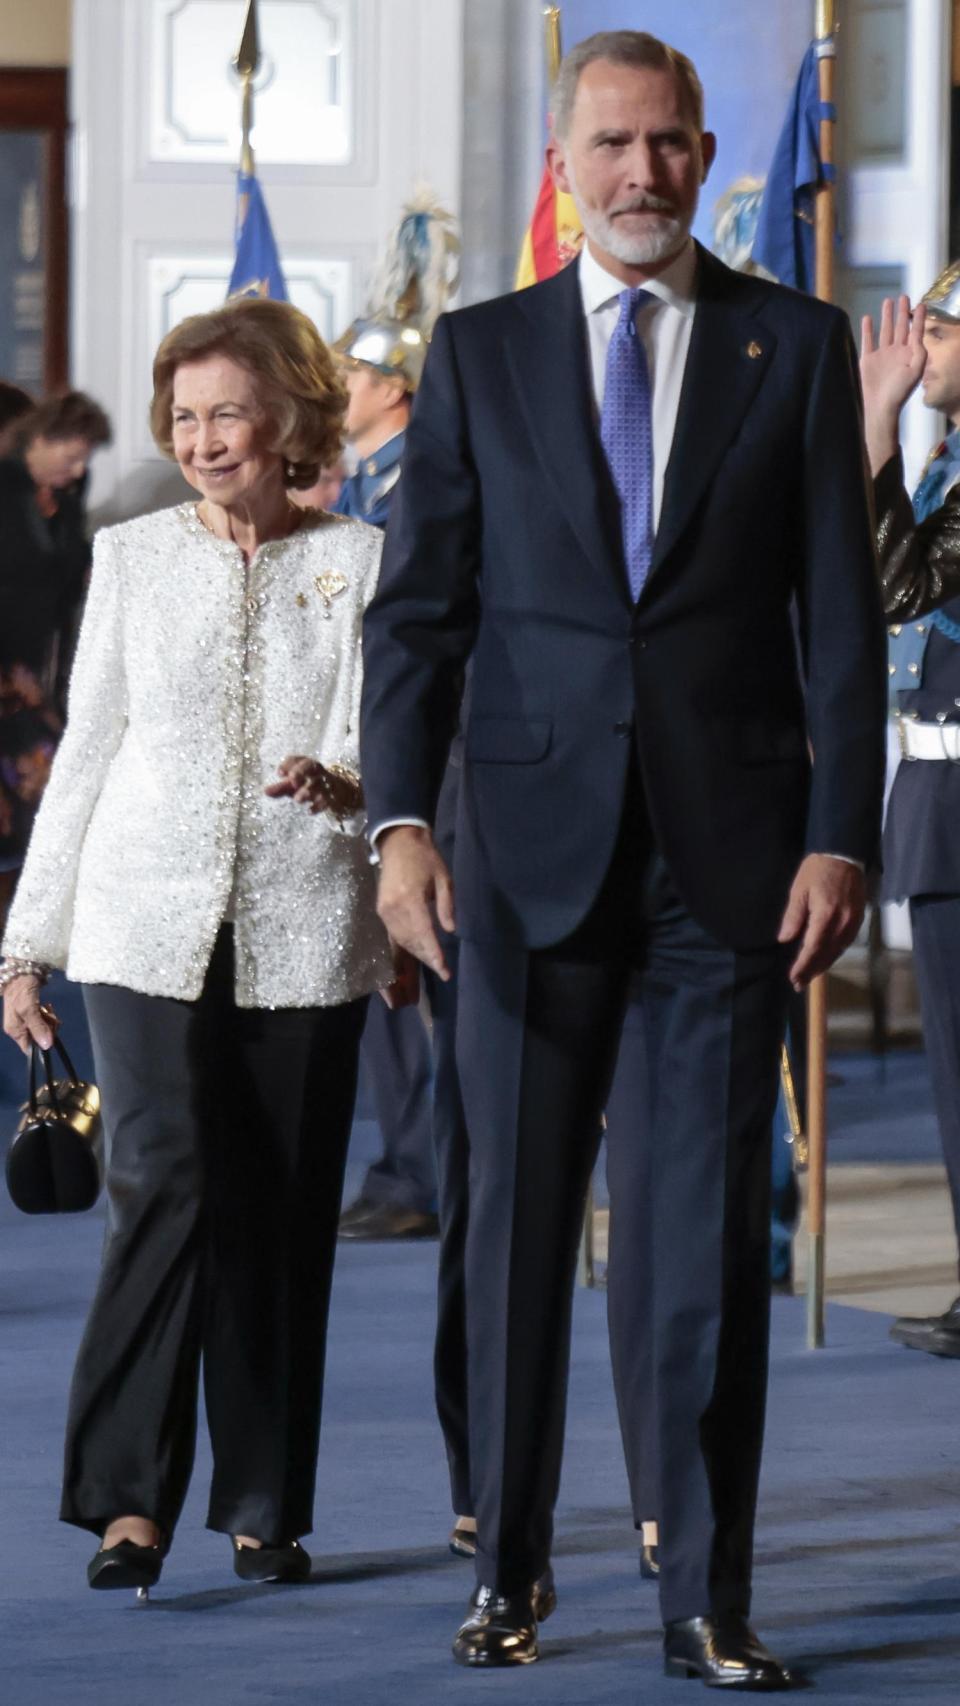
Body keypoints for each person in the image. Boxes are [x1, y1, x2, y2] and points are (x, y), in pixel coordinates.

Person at [360, 29, 886, 1686]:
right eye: (612, 145)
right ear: (562, 166)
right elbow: (420, 616)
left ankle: (704, 1599)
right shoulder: (482, 351)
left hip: (730, 871)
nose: (642, 172)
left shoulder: (787, 347)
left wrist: (840, 837)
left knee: (706, 1247)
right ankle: (507, 1571)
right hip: (516, 864)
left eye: (668, 144)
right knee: (509, 1231)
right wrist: (395, 833)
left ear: (705, 149)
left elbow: (843, 624)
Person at [0, 296, 393, 1597]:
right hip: (138, 919)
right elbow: (87, 752)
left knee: (279, 1205)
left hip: (304, 924)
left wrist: (345, 780)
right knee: (159, 1182)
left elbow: (383, 733)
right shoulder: (131, 553)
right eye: (185, 417)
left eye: (229, 410)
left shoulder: (364, 556)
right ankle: (127, 1502)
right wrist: (25, 945)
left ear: (288, 414)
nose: (206, 437)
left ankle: (265, 1500)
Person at [332, 198, 462, 1246]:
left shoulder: (413, 477)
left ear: (393, 391)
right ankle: (409, 1158)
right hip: (363, 749)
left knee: (420, 972)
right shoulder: (361, 479)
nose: (337, 390)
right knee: (385, 972)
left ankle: (431, 1163)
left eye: (352, 377)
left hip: (419, 752)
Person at [860, 273, 960, 1358]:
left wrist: (876, 421)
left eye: (938, 330)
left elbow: (898, 588)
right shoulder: (951, 460)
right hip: (935, 788)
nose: (918, 346)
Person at [0, 390, 110, 931]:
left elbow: (71, 559)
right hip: (4, 662)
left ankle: (29, 927)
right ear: (39, 441)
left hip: (43, 658)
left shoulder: (67, 491)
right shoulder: (4, 484)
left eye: (86, 457)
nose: (79, 469)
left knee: (42, 800)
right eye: (71, 456)